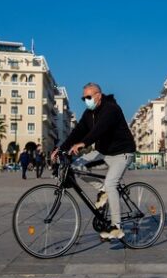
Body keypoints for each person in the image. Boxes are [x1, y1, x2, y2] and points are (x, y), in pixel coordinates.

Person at [52, 83, 136, 241]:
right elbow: (77, 131)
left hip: (122, 153)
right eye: (84, 98)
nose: (86, 100)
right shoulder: (88, 113)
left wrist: (84, 143)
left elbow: (100, 129)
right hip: (104, 153)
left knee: (111, 183)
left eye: (89, 97)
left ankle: (116, 227)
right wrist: (61, 148)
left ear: (99, 95)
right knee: (77, 165)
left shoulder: (111, 109)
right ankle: (102, 191)